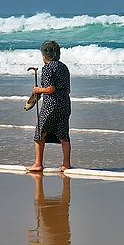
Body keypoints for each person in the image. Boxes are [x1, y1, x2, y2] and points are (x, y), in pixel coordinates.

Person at [27, 40, 71, 172]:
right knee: (64, 135)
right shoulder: (64, 67)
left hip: (51, 105)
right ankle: (66, 164)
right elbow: (68, 90)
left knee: (40, 132)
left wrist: (37, 90)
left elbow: (50, 89)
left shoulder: (47, 68)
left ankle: (38, 164)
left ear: (45, 55)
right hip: (65, 103)